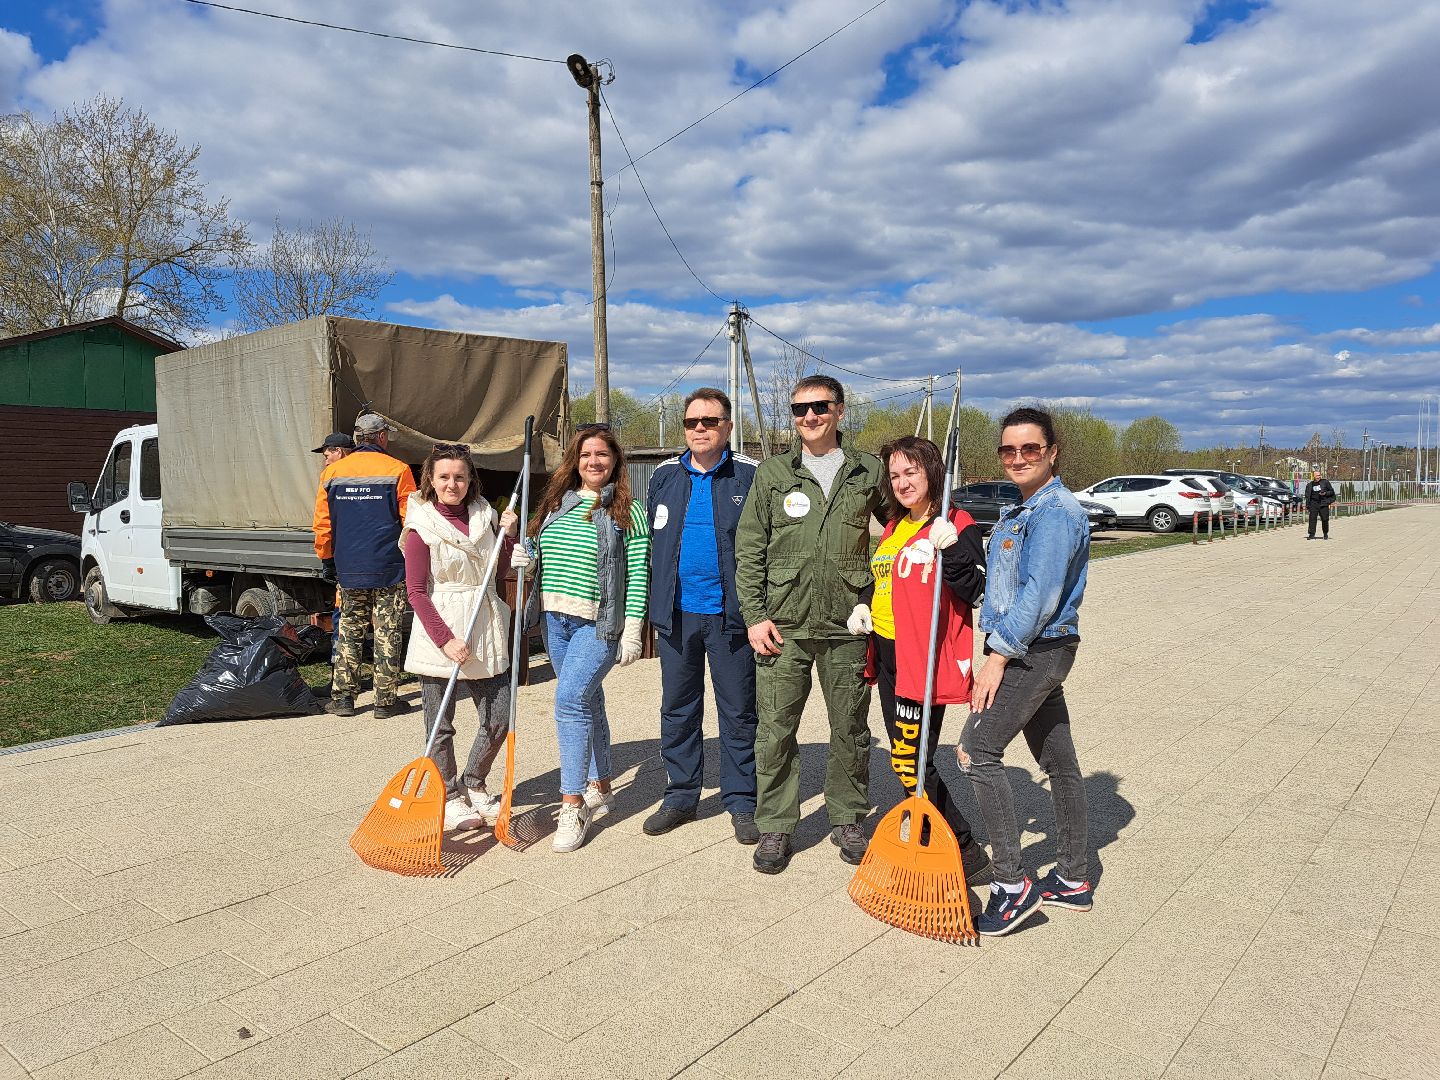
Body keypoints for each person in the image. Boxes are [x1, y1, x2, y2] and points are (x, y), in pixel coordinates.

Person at [735, 374, 884, 874]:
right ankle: (776, 824)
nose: (809, 417)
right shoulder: (774, 473)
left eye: (819, 407)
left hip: (848, 622)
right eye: (800, 410)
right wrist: (755, 617)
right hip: (784, 624)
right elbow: (750, 549)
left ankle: (847, 817)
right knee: (775, 729)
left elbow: (909, 520)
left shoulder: (869, 470)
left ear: (840, 411)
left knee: (850, 726)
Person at [959, 406, 1092, 936]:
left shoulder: (1054, 512)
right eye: (1008, 450)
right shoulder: (1023, 510)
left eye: (1030, 448)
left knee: (977, 751)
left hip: (1032, 649)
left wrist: (996, 657)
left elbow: (1039, 597)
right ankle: (1075, 877)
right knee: (1059, 764)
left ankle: (1012, 886)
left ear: (1052, 452)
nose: (1018, 458)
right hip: (1040, 648)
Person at [852, 436, 992, 885]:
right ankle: (930, 828)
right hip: (888, 653)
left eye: (911, 472)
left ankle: (965, 847)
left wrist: (950, 548)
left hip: (922, 657)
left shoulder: (957, 520)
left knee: (911, 758)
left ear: (932, 470)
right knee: (905, 757)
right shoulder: (895, 526)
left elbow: (973, 589)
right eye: (894, 475)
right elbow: (884, 579)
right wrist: (864, 605)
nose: (902, 482)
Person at [525, 424, 650, 853]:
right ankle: (603, 783)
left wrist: (632, 629)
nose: (594, 462)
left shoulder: (627, 510)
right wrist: (528, 553)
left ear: (615, 461)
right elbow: (542, 552)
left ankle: (573, 802)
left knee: (569, 701)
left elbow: (637, 575)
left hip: (598, 625)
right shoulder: (557, 503)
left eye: (602, 455)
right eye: (585, 455)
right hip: (553, 620)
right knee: (589, 700)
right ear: (574, 461)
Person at [643, 388, 760, 844]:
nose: (700, 429)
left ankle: (741, 799)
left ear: (728, 426)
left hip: (731, 616)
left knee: (738, 712)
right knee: (678, 709)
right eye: (692, 422)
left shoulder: (750, 475)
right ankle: (681, 794)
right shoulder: (664, 475)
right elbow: (650, 543)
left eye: (710, 421)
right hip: (678, 616)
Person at [402, 443, 528, 832]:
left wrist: (510, 542)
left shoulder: (487, 516)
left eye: (459, 476)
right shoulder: (420, 525)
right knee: (440, 724)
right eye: (444, 477)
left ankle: (473, 781)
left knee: (499, 716)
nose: (452, 484)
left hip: (485, 623)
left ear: (471, 478)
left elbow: (499, 568)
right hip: (441, 626)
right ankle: (449, 796)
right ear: (431, 480)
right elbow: (416, 591)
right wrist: (445, 640)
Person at [313, 412, 417, 719]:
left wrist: (327, 558)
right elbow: (410, 521)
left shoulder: (333, 472)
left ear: (357, 439)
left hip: (349, 567)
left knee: (349, 630)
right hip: (389, 567)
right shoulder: (398, 470)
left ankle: (344, 699)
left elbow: (322, 522)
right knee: (388, 631)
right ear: (382, 437)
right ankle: (385, 702)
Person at [312, 432, 354, 669]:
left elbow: (323, 523)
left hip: (345, 563)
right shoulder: (378, 472)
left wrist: (326, 558)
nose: (325, 460)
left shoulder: (330, 476)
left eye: (327, 454)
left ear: (338, 451)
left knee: (344, 619)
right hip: (381, 565)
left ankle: (341, 681)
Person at [1305, 470, 1336, 540]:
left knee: (1325, 519)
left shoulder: (1325, 482)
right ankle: (1311, 534)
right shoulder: (1310, 485)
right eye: (1317, 476)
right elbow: (1307, 496)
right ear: (1314, 476)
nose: (1318, 477)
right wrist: (1308, 505)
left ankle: (1325, 533)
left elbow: (1331, 492)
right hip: (1313, 503)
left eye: (1319, 475)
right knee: (1312, 519)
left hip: (1323, 503)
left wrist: (1325, 493)